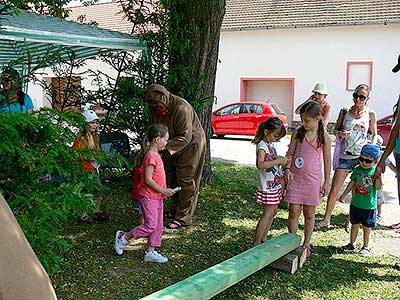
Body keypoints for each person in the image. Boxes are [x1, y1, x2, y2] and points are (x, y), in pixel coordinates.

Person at [315, 84, 377, 229]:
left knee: (357, 189)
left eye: (362, 97)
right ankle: (326, 219)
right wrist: (341, 133)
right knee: (335, 188)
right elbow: (336, 129)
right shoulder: (345, 111)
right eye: (356, 95)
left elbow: (374, 134)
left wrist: (371, 149)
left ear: (367, 98)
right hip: (345, 155)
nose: (358, 99)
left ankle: (351, 221)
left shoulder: (370, 113)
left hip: (362, 158)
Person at [145, 84, 206, 229]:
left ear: (164, 96)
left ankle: (184, 216)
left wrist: (162, 146)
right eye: (151, 103)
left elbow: (185, 137)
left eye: (156, 102)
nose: (154, 106)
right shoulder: (154, 108)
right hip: (167, 144)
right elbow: (154, 129)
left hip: (190, 144)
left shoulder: (181, 107)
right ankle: (175, 209)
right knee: (170, 176)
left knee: (186, 179)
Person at [114, 124, 176, 263]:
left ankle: (150, 252)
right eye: (166, 139)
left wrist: (164, 191)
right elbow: (147, 179)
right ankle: (124, 237)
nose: (167, 142)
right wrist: (163, 190)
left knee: (158, 225)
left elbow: (157, 178)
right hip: (149, 197)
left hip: (158, 197)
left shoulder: (156, 155)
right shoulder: (150, 156)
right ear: (157, 139)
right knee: (150, 225)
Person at [284, 101, 331, 257]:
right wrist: (287, 168)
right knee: (293, 211)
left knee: (309, 213)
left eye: (307, 120)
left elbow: (327, 161)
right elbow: (290, 154)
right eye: (302, 120)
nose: (303, 123)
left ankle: (306, 244)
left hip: (313, 181)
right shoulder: (298, 134)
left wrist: (327, 182)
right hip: (296, 179)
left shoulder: (323, 137)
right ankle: (292, 242)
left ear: (317, 118)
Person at [340, 144, 382, 257]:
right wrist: (344, 194)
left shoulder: (374, 172)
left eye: (367, 161)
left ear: (375, 161)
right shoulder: (357, 169)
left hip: (369, 206)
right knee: (354, 224)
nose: (363, 163)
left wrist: (378, 177)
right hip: (356, 204)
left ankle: (365, 247)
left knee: (366, 227)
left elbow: (378, 187)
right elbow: (352, 182)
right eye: (361, 159)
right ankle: (352, 244)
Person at [252, 117, 288, 246]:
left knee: (273, 212)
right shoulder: (262, 145)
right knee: (267, 213)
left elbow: (271, 160)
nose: (276, 139)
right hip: (267, 187)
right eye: (275, 136)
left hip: (274, 184)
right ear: (267, 131)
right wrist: (278, 161)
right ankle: (257, 242)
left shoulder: (270, 144)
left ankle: (264, 238)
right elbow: (260, 164)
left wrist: (280, 159)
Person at [73, 110, 107, 223]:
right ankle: (82, 215)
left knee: (99, 191)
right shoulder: (80, 138)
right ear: (85, 124)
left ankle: (96, 210)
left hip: (93, 168)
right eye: (91, 123)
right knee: (85, 192)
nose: (94, 125)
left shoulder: (94, 136)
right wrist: (90, 156)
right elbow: (77, 154)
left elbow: (97, 151)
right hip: (83, 169)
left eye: (96, 123)